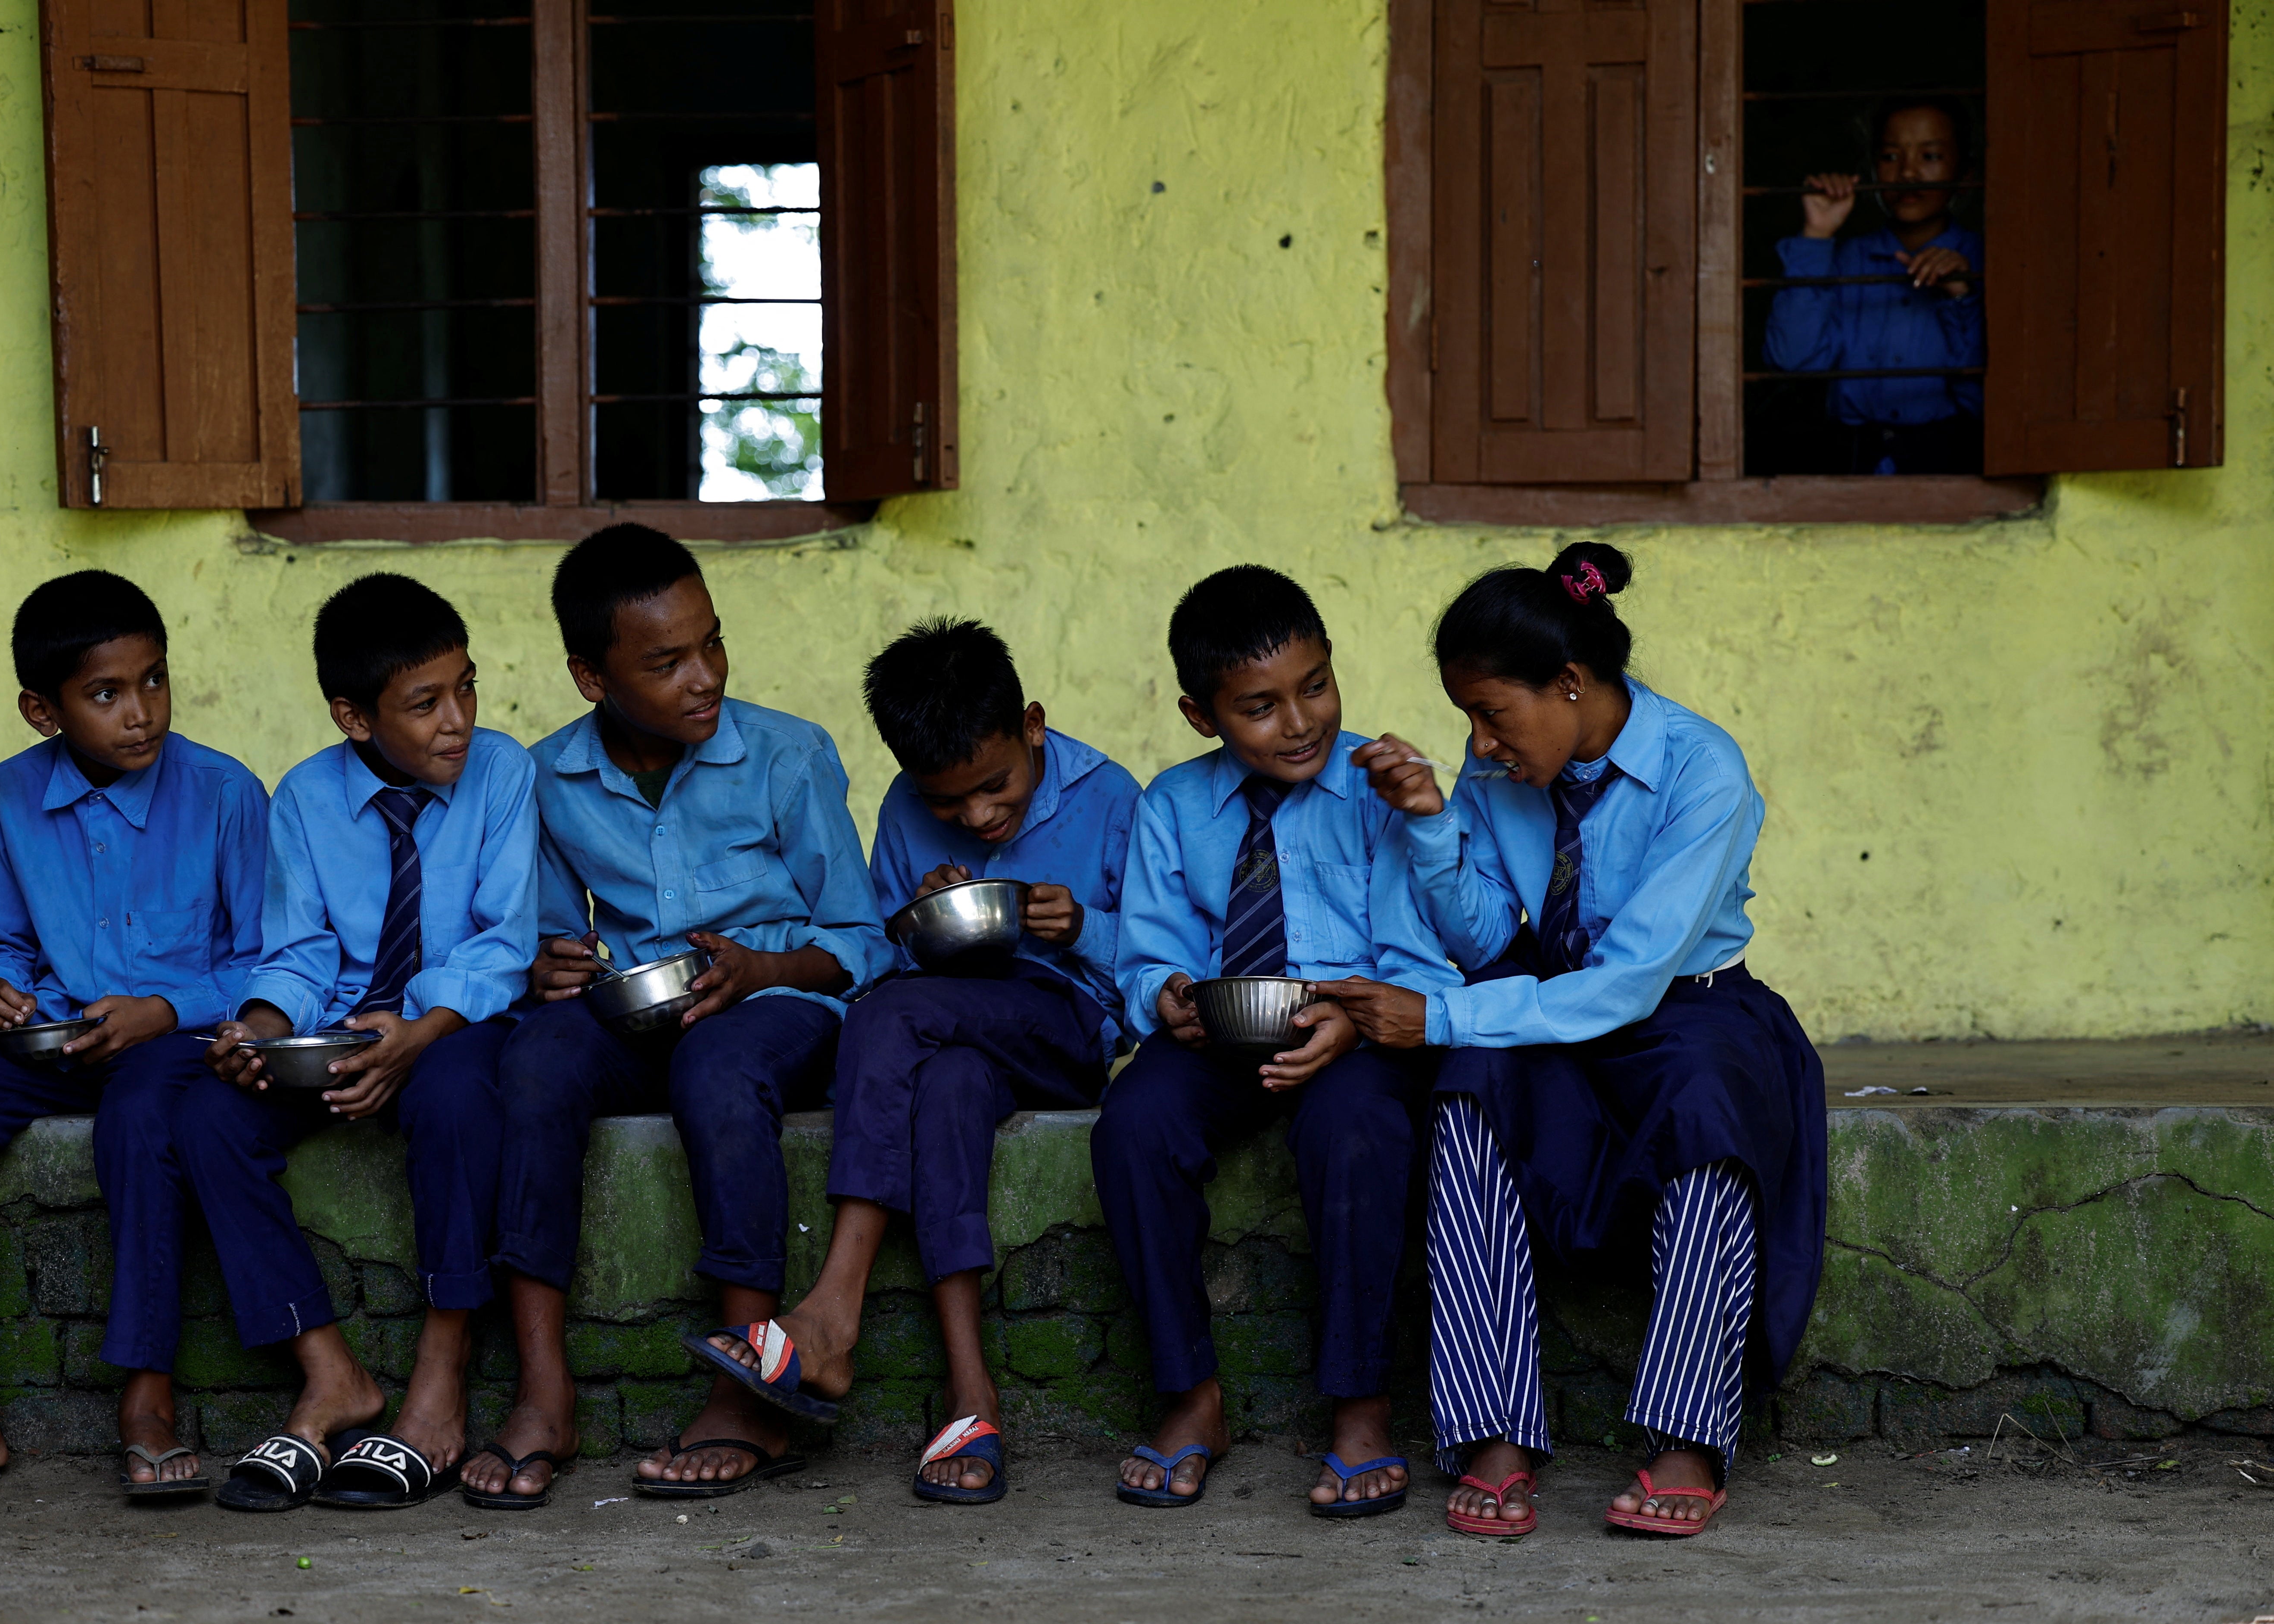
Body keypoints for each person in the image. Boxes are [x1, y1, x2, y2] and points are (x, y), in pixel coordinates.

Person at [1328, 542, 1827, 1540]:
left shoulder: (1703, 770)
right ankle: (1496, 1429)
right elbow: (1484, 939)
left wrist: (1440, 1016)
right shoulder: (1496, 762)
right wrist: (1432, 823)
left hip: (1688, 1008)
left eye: (1492, 713)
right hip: (1551, 1002)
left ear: (1568, 682)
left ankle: (1686, 1435)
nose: (1479, 740)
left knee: (1708, 1111)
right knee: (1466, 1089)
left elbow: (1634, 978)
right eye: (1467, 716)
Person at [479, 524, 893, 1509]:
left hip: (780, 1003)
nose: (703, 676)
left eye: (711, 643)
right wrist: (550, 963)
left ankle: (748, 1381)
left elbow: (860, 942)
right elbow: (545, 942)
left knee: (718, 1067)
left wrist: (760, 968)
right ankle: (544, 1387)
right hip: (634, 1006)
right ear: (592, 676)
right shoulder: (547, 779)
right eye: (666, 662)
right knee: (535, 1061)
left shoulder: (789, 756)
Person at [688, 617, 1140, 1505]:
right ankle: (972, 1395)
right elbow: (890, 951)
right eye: (949, 803)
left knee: (892, 1016)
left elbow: (1162, 969)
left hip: (1066, 1024)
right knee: (947, 1090)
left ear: (1035, 725)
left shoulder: (1111, 796)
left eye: (996, 785)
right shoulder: (903, 808)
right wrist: (921, 921)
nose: (976, 816)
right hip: (960, 1035)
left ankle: (830, 1308)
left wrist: (1083, 925)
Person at [0, 572, 267, 1516]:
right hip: (56, 1044)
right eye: (107, 694)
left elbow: (264, 961)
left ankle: (147, 1395)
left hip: (179, 1042)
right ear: (43, 710)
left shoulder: (224, 792)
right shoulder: (8, 799)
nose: (142, 712)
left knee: (138, 1120)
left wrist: (165, 1010)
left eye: (155, 681)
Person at [1095, 566, 1456, 1517]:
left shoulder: (1383, 788)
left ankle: (1360, 1405)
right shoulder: (1173, 805)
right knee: (1133, 1124)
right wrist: (1166, 995)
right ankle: (1192, 1394)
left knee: (1358, 1132)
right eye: (1260, 706)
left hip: (1355, 1034)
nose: (1301, 721)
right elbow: (1146, 956)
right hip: (1222, 1034)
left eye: (1316, 685)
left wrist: (1353, 1020)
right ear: (1201, 714)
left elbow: (1420, 955)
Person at [182, 574, 538, 1514]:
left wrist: (416, 1034)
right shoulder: (303, 798)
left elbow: (507, 941)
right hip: (340, 1029)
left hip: (455, 1024)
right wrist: (258, 1027)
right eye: (425, 704)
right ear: (353, 717)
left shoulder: (504, 773)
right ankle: (330, 1370)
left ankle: (440, 1372)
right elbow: (298, 950)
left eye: (467, 688)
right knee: (207, 1112)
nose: (456, 720)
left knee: (458, 1096)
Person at [1764, 97, 1984, 474]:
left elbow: (1987, 398)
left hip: (1953, 462)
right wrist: (1817, 235)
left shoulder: (1986, 261)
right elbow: (1792, 361)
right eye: (1891, 157)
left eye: (1930, 156)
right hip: (1850, 460)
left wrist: (1962, 298)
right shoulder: (1846, 260)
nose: (1908, 174)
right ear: (1872, 169)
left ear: (1965, 176)